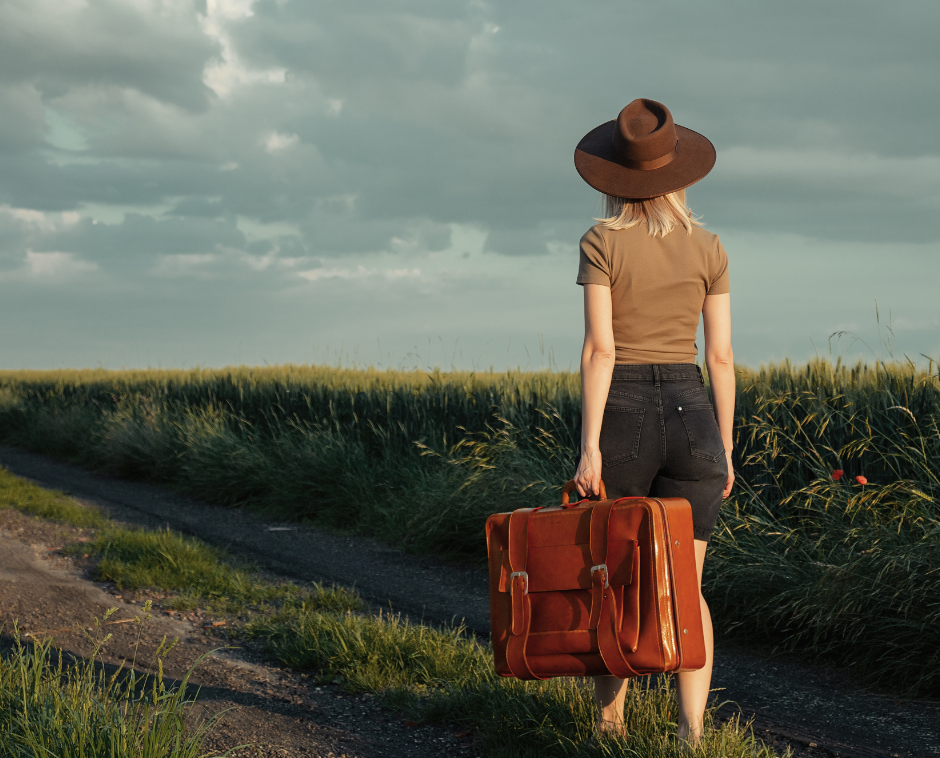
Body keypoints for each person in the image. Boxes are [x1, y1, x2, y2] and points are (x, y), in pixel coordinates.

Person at [571, 98, 735, 746]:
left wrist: (590, 449)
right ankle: (690, 731)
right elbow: (720, 355)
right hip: (695, 413)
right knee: (686, 587)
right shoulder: (709, 246)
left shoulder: (601, 241)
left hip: (626, 412)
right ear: (679, 173)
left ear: (613, 178)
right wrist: (724, 444)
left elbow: (600, 350)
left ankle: (609, 723)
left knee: (615, 577)